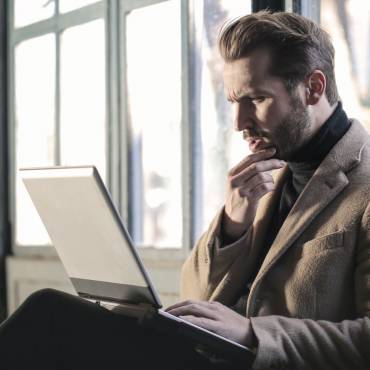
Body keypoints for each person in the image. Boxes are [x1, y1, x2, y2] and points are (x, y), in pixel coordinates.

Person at [1, 10, 370, 370]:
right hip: (201, 354)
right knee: (51, 314)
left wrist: (252, 334)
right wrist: (232, 224)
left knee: (50, 318)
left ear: (314, 87)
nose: (240, 122)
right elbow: (194, 296)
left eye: (255, 100)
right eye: (233, 103)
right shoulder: (265, 176)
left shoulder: (363, 187)